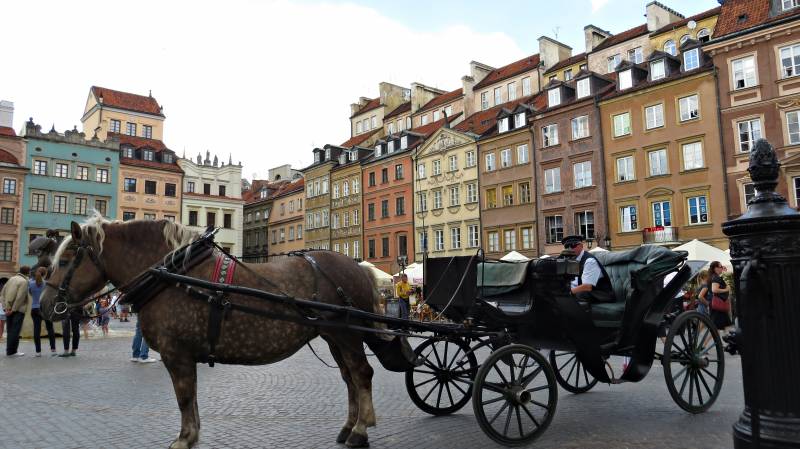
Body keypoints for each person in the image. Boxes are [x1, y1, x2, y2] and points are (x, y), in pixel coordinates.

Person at [562, 235, 615, 303]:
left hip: (601, 295)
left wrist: (567, 293)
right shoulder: (572, 261)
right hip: (585, 294)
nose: (569, 249)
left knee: (578, 294)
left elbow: (587, 287)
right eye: (567, 246)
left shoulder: (589, 261)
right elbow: (572, 283)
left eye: (573, 245)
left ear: (581, 246)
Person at [2, 266, 31, 357]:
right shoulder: (24, 282)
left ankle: (9, 351)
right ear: (28, 272)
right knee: (15, 330)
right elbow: (20, 298)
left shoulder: (11, 279)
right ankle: (12, 351)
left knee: (10, 330)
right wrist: (13, 309)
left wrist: (5, 308)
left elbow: (2, 293)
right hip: (18, 309)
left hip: (8, 308)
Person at [29, 267, 57, 356]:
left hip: (34, 308)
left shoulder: (30, 283)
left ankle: (38, 352)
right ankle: (53, 350)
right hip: (46, 308)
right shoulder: (47, 284)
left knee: (36, 330)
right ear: (45, 274)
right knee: (50, 329)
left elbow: (30, 293)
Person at [709, 261, 732, 334]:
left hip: (719, 305)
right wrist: (726, 289)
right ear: (715, 268)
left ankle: (726, 343)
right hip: (719, 305)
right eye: (720, 267)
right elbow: (714, 290)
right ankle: (705, 344)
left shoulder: (715, 277)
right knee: (717, 328)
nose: (722, 268)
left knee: (725, 327)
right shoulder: (716, 277)